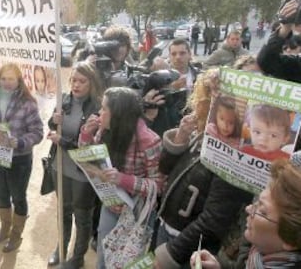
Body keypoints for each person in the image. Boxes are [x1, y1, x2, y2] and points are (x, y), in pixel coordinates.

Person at [153, 69, 252, 269]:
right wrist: (180, 138)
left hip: (190, 248)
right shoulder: (202, 131)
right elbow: (164, 169)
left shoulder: (235, 152)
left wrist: (172, 253)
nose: (212, 100)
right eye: (210, 93)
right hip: (167, 227)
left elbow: (214, 219)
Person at [79, 87, 164, 269]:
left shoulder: (149, 140)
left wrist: (122, 179)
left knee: (127, 263)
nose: (99, 113)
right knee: (103, 255)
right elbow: (89, 160)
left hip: (137, 214)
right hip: (110, 204)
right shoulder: (105, 130)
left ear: (117, 114)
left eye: (104, 109)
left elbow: (158, 186)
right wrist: (86, 134)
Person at [0, 63, 43, 253]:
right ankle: (4, 229)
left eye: (11, 79)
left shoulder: (28, 103)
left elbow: (38, 132)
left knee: (18, 197)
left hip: (19, 159)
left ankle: (16, 234)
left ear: (19, 81)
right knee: (1, 194)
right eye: (3, 79)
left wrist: (21, 142)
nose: (7, 83)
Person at [190, 158, 301, 268]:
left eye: (262, 211)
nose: (248, 209)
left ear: (290, 241)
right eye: (256, 202)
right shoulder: (259, 255)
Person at [46, 61, 103, 268]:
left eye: (82, 81)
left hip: (83, 172)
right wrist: (53, 121)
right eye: (73, 80)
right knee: (63, 211)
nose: (76, 85)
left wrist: (62, 141)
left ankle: (78, 257)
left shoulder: (97, 108)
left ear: (92, 83)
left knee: (82, 216)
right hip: (59, 166)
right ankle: (60, 249)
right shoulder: (64, 100)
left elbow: (89, 147)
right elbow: (53, 126)